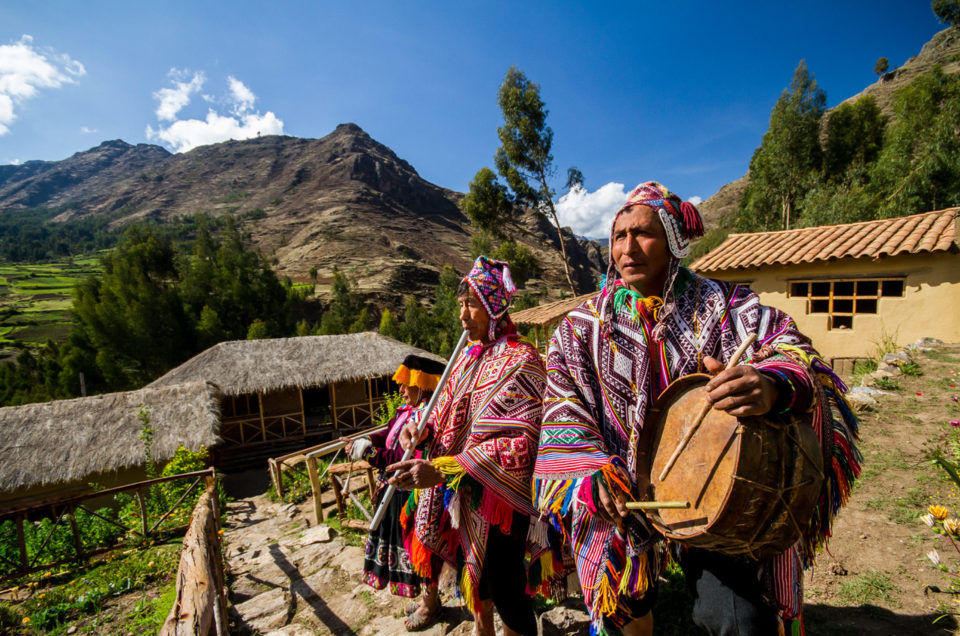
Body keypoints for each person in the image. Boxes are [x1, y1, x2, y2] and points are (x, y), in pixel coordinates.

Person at [532, 182, 861, 635]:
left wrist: (770, 384)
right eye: (619, 235)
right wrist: (591, 471)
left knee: (739, 621)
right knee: (624, 607)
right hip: (624, 492)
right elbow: (563, 405)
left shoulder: (725, 305)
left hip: (709, 488)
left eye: (644, 233)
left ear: (673, 241)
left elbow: (792, 349)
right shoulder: (581, 327)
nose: (628, 247)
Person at [386, 256, 551, 636]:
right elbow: (444, 415)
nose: (462, 315)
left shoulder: (521, 358)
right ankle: (482, 629)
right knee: (477, 579)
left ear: (494, 306)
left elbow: (525, 439)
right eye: (460, 304)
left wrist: (446, 468)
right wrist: (422, 434)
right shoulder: (465, 358)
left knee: (507, 584)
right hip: (464, 495)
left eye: (471, 304)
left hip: (501, 498)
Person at [345, 353, 446, 630]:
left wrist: (369, 453)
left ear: (422, 384)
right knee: (410, 552)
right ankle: (429, 600)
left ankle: (430, 604)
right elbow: (388, 434)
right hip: (395, 494)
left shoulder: (429, 418)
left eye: (405, 384)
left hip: (414, 496)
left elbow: (400, 456)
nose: (400, 390)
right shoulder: (407, 413)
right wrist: (366, 439)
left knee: (421, 551)